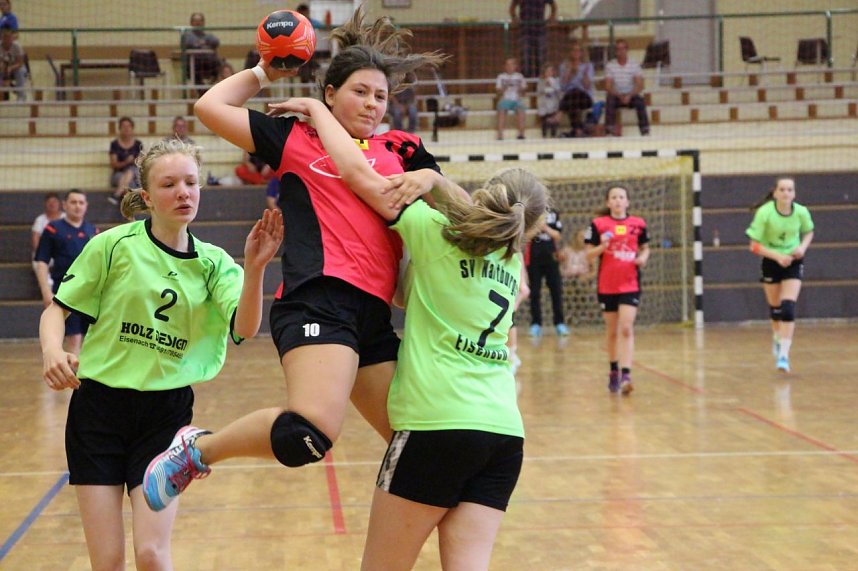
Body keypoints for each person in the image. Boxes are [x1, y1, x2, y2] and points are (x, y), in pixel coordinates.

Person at [141, 8, 463, 513]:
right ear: (330, 95)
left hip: (376, 315)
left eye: (381, 95)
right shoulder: (297, 137)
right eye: (360, 91)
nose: (373, 104)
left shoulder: (404, 148)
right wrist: (267, 71)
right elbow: (209, 106)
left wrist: (435, 180)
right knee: (307, 434)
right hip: (319, 300)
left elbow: (463, 215)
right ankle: (196, 450)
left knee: (424, 450)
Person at [39, 138, 283, 571]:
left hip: (165, 416)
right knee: (108, 560)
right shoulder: (113, 245)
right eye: (169, 184)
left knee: (151, 554)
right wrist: (52, 351)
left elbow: (245, 329)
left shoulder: (215, 263)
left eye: (191, 182)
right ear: (148, 197)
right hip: (98, 410)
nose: (183, 192)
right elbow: (57, 312)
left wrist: (256, 268)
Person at [354, 167, 548, 570]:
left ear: (486, 192)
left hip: (436, 426)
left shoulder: (434, 231)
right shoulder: (512, 265)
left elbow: (360, 178)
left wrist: (434, 180)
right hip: (504, 434)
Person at [585, 185, 650, 394]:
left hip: (630, 283)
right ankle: (613, 370)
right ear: (608, 202)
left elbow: (645, 247)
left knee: (626, 328)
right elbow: (588, 255)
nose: (618, 200)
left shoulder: (638, 224)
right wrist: (603, 246)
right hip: (607, 284)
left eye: (622, 197)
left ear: (627, 201)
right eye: (614, 197)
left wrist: (643, 258)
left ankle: (627, 374)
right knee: (612, 331)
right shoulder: (598, 224)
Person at [745, 176, 814, 373]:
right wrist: (777, 256)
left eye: (790, 190)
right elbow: (754, 245)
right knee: (775, 309)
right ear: (775, 193)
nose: (786, 193)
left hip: (793, 261)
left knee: (788, 308)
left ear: (794, 193)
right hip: (771, 261)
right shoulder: (765, 213)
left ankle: (784, 355)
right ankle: (777, 337)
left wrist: (802, 247)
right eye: (782, 189)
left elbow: (809, 232)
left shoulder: (801, 212)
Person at [34, 189, 98, 356]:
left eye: (81, 202)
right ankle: (73, 379)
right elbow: (41, 261)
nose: (77, 206)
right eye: (73, 202)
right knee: (74, 338)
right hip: (66, 292)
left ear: (86, 206)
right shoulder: (53, 229)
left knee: (92, 338)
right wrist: (46, 291)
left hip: (91, 294)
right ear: (65, 205)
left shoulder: (93, 231)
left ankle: (86, 378)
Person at [526, 206, 568, 337]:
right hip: (534, 258)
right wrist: (536, 228)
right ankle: (536, 323)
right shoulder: (529, 212)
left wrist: (546, 228)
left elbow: (557, 235)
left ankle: (559, 323)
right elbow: (525, 236)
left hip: (551, 257)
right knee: (534, 292)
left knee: (556, 290)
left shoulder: (554, 213)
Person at [604, 39, 649, 136]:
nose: (620, 51)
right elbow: (608, 86)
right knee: (609, 100)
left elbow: (640, 85)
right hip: (616, 95)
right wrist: (619, 95)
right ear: (615, 51)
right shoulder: (611, 65)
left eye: (623, 48)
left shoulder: (634, 64)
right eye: (618, 49)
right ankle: (609, 130)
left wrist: (630, 95)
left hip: (631, 95)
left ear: (627, 50)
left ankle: (645, 130)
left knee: (640, 102)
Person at [509, 0, 557, 78]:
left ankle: (540, 85)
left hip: (540, 30)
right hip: (525, 31)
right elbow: (512, 6)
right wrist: (514, 18)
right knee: (526, 61)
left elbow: (553, 5)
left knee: (541, 60)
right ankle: (527, 85)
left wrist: (552, 17)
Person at [558, 39, 595, 137]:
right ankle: (578, 130)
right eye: (574, 50)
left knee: (575, 93)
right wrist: (569, 72)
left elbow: (587, 87)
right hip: (570, 98)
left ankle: (560, 114)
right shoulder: (564, 66)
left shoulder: (588, 66)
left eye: (578, 50)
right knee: (573, 98)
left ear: (582, 52)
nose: (576, 53)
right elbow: (563, 87)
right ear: (570, 52)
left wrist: (583, 73)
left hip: (584, 97)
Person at [108, 116, 143, 205]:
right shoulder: (114, 144)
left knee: (131, 171)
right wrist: (126, 162)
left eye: (129, 126)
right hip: (118, 175)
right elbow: (114, 164)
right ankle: (131, 207)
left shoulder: (138, 144)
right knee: (129, 181)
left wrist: (133, 161)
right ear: (119, 129)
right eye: (124, 126)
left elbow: (140, 163)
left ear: (132, 128)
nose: (126, 129)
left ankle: (116, 195)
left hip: (135, 174)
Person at [181, 12, 221, 90]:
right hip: (195, 64)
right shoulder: (187, 35)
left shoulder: (208, 35)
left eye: (200, 21)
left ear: (203, 23)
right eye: (195, 20)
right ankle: (201, 91)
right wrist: (204, 43)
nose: (198, 23)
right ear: (191, 23)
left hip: (209, 63)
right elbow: (189, 43)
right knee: (195, 68)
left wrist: (200, 43)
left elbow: (216, 42)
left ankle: (212, 86)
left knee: (222, 64)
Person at [495, 57, 527, 140]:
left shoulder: (520, 76)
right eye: (507, 65)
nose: (509, 66)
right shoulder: (501, 76)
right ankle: (500, 135)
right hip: (505, 99)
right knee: (502, 110)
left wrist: (521, 89)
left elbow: (524, 93)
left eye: (512, 64)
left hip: (516, 100)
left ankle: (521, 134)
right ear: (505, 66)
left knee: (521, 110)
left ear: (515, 66)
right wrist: (504, 87)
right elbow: (498, 92)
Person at [31, 191, 64, 267]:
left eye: (55, 202)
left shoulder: (66, 218)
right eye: (49, 202)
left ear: (59, 204)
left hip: (62, 253)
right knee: (38, 262)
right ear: (45, 204)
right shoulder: (40, 220)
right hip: (45, 253)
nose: (52, 204)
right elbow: (35, 240)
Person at [296, 3, 324, 86]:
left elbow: (324, 28)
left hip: (314, 52)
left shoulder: (314, 23)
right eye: (302, 13)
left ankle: (314, 85)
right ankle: (308, 90)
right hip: (301, 54)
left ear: (308, 12)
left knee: (309, 68)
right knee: (304, 69)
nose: (304, 15)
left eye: (305, 12)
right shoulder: (295, 25)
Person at [0, 28, 25, 101]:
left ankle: (21, 96)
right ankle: (1, 96)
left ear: (12, 38)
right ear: (2, 38)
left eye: (9, 37)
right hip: (3, 68)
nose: (7, 40)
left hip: (16, 67)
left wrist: (11, 68)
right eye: (5, 37)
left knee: (20, 72)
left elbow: (20, 63)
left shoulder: (17, 46)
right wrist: (2, 66)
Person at [536, 64, 561, 138]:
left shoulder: (556, 81)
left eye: (551, 71)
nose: (549, 73)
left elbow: (558, 92)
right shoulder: (541, 81)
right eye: (547, 71)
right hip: (544, 104)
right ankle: (544, 135)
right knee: (544, 121)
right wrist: (545, 85)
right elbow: (539, 91)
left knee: (554, 120)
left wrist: (552, 85)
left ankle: (553, 135)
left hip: (553, 105)